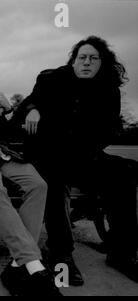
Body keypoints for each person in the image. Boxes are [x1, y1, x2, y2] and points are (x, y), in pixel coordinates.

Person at [18, 35, 138, 284]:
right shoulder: (51, 79)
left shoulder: (109, 90)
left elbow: (110, 129)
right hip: (50, 155)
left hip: (85, 156)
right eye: (82, 57)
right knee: (54, 177)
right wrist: (33, 110)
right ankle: (61, 254)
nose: (86, 62)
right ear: (73, 61)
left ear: (101, 63)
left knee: (125, 171)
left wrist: (86, 152)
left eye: (93, 58)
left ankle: (122, 253)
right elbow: (29, 102)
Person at [0, 60, 61, 296]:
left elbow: (15, 134)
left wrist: (10, 112)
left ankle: (17, 264)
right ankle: (33, 265)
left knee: (38, 185)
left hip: (5, 154)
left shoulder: (0, 104)